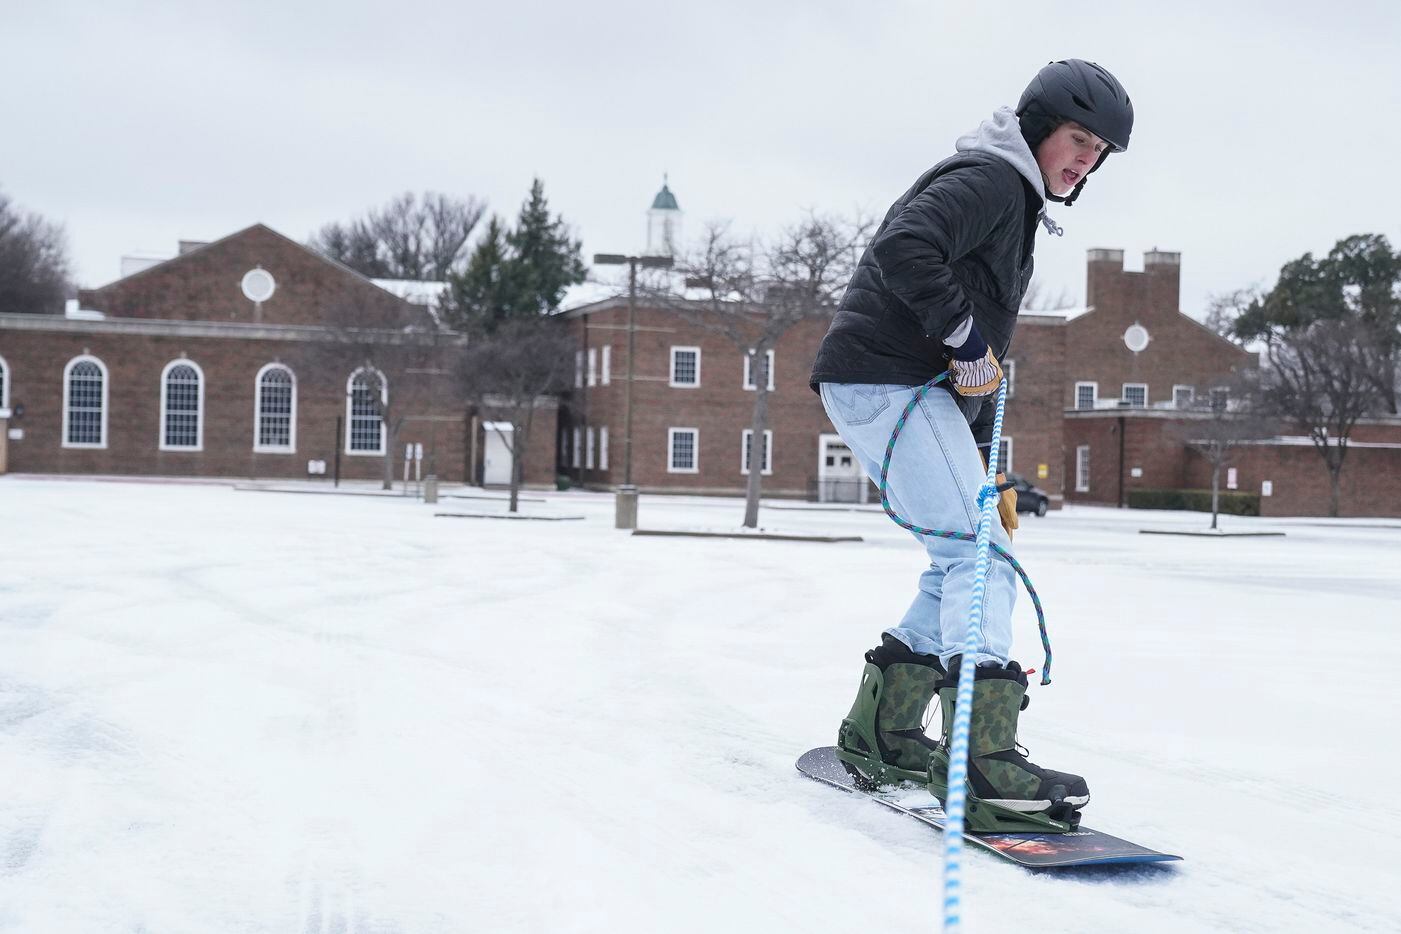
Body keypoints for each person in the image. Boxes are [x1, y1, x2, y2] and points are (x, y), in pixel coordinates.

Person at [808, 59, 1133, 825]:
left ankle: (883, 731)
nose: (1085, 159)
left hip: (896, 385)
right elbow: (904, 246)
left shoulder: (1013, 200)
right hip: (887, 379)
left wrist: (989, 465)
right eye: (1077, 139)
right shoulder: (991, 180)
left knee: (963, 547)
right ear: (1036, 128)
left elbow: (977, 366)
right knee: (977, 554)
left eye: (1098, 152)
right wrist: (960, 339)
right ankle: (981, 760)